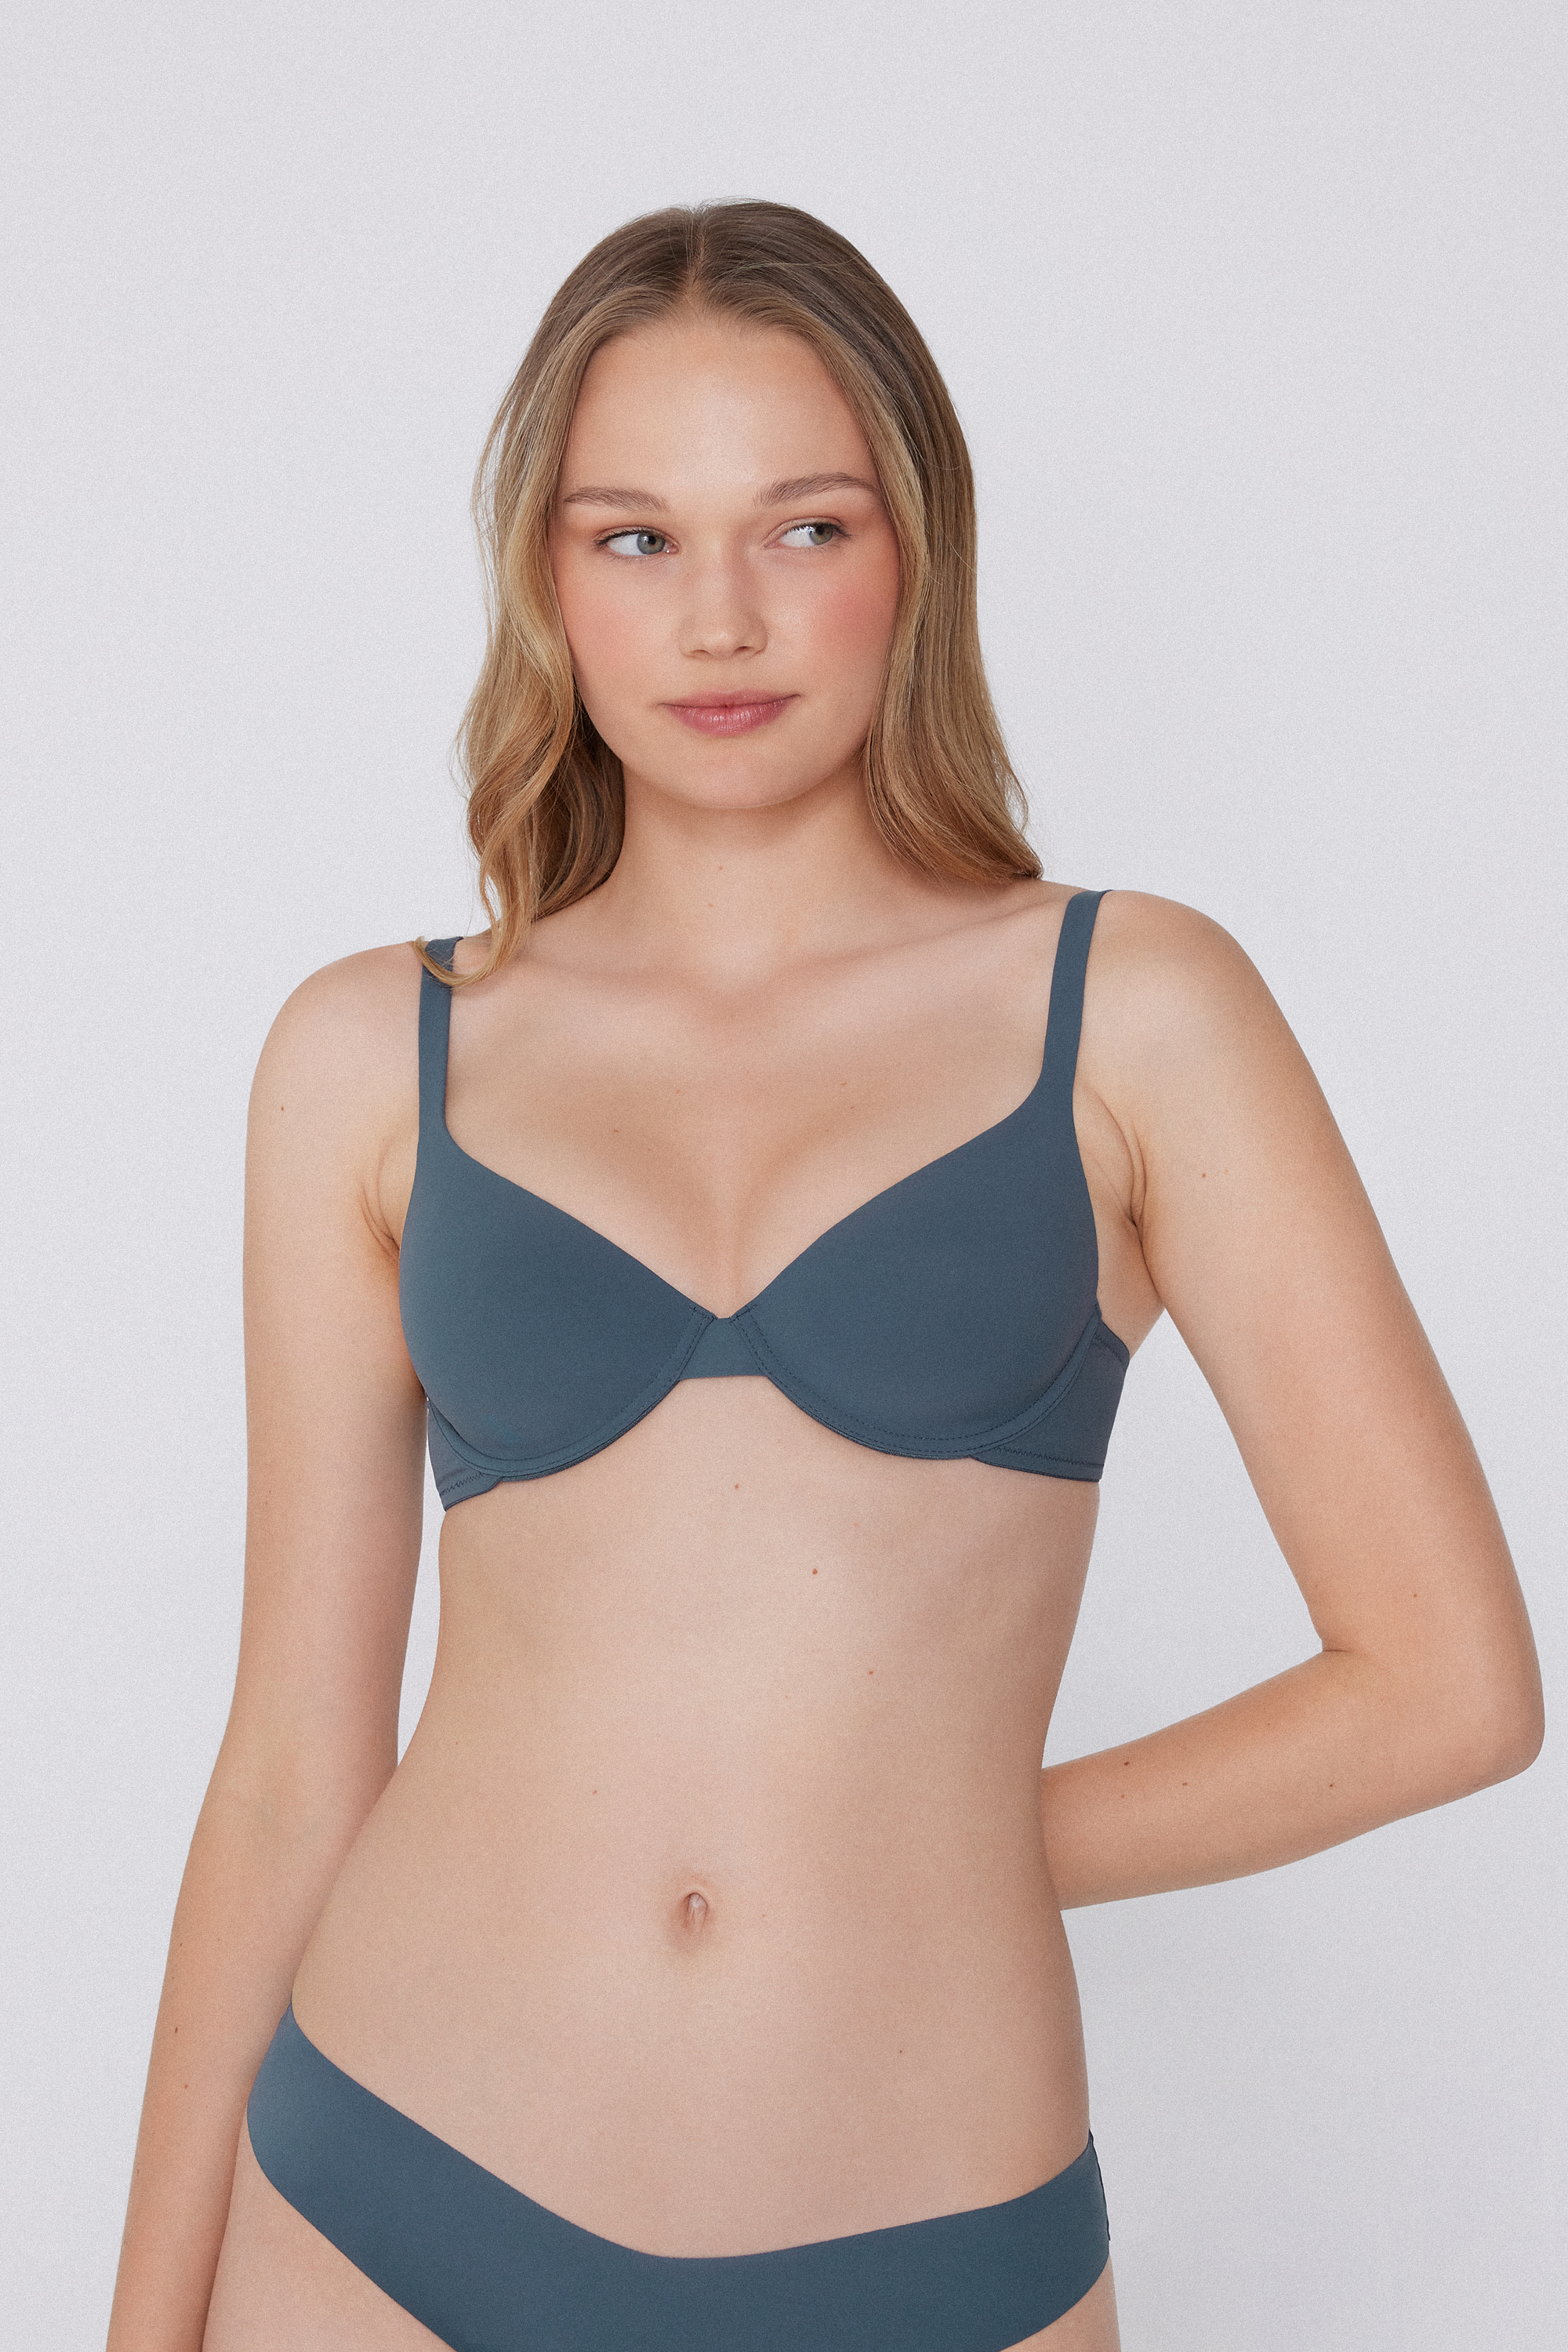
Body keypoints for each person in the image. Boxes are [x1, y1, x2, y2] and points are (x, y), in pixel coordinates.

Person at [107, 201, 1544, 2352]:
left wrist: (951, 1841)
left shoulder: (1135, 1013)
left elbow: (1450, 1685)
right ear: (546, 580)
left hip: (935, 2250)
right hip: (386, 2201)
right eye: (635, 538)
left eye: (803, 527)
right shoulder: (370, 1053)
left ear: (916, 551)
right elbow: (291, 1770)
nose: (719, 618)